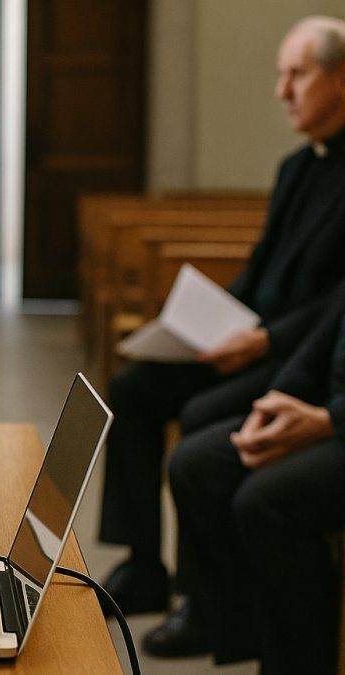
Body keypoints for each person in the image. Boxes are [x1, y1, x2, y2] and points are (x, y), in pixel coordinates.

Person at [96, 13, 345, 646]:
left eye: (297, 75)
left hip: (292, 353)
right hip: (253, 340)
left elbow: (335, 306)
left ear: (341, 79)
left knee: (203, 418)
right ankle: (143, 566)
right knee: (132, 388)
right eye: (280, 75)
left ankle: (209, 600)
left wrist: (265, 341)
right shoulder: (297, 167)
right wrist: (203, 323)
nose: (282, 91)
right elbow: (260, 270)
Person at [165, 277, 345, 673]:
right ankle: (247, 637)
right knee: (196, 464)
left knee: (267, 500)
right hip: (329, 408)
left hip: (337, 419)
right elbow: (327, 329)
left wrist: (329, 420)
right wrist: (274, 402)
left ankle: (303, 663)